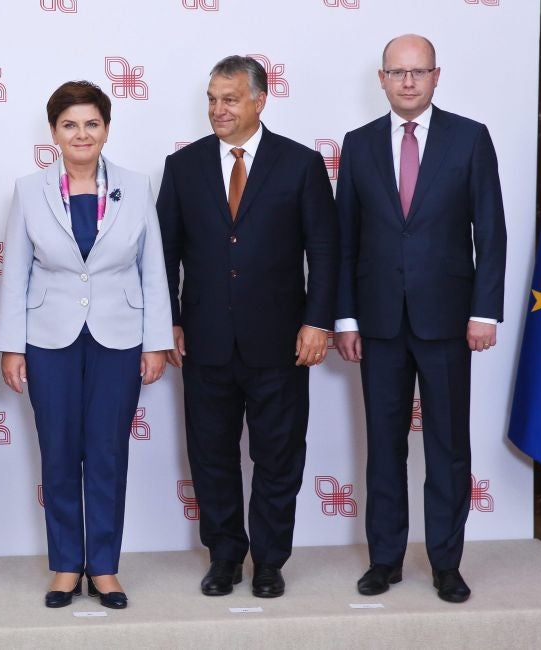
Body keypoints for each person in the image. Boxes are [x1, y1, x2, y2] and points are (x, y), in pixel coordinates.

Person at [157, 56, 339, 599]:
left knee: (278, 456)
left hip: (282, 343)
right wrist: (168, 321)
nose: (218, 109)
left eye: (229, 99)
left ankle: (269, 560)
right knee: (210, 455)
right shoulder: (184, 166)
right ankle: (225, 556)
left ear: (260, 100)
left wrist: (317, 322)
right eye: (212, 98)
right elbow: (165, 254)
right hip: (205, 340)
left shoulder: (300, 164)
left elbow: (325, 251)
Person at [334, 34, 507, 604]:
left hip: (450, 321)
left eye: (419, 72)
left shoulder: (470, 138)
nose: (408, 82)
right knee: (383, 444)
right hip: (378, 322)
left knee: (449, 446)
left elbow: (492, 231)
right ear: (382, 79)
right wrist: (346, 317)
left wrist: (484, 311)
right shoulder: (357, 147)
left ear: (436, 76)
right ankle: (384, 560)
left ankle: (446, 562)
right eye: (397, 72)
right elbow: (345, 242)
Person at [0, 81, 173, 610]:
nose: (81, 134)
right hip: (48, 338)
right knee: (58, 453)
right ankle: (67, 566)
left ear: (107, 129)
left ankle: (105, 566)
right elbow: (16, 274)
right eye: (69, 124)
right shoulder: (30, 190)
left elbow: (154, 269)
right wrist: (12, 346)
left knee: (107, 453)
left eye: (91, 123)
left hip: (120, 336)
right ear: (53, 132)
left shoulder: (137, 187)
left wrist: (157, 341)